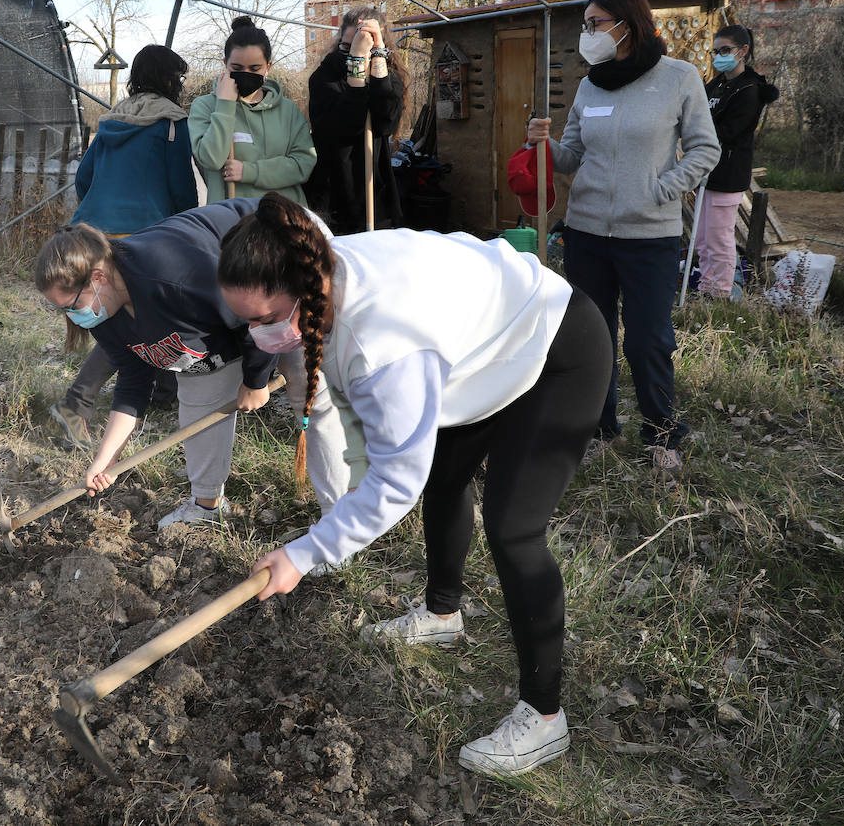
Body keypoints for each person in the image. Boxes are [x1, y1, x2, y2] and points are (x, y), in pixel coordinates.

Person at [217, 192, 611, 778]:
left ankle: (544, 718)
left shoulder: (382, 345)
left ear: (304, 291)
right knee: (447, 478)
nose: (256, 337)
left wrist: (306, 553)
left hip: (556, 344)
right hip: (479, 350)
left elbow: (395, 480)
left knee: (513, 528)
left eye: (265, 320)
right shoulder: (315, 256)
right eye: (244, 321)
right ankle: (442, 615)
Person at [34, 199, 347, 529]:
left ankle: (341, 520)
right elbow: (133, 377)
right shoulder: (103, 312)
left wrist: (255, 380)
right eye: (63, 310)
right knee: (200, 397)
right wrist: (107, 458)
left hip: (279, 256)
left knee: (305, 386)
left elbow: (253, 315)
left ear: (97, 277)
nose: (73, 316)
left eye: (72, 305)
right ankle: (208, 506)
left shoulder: (175, 277)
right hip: (226, 317)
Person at [526, 0, 719, 475]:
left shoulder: (678, 78)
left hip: (649, 234)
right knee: (595, 338)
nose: (587, 34)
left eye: (594, 24)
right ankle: (599, 428)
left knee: (648, 339)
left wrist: (662, 189)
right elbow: (571, 156)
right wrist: (543, 145)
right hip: (587, 231)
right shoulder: (591, 84)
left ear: (625, 25)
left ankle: (660, 433)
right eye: (585, 25)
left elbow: (705, 149)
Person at [48, 44, 197, 449]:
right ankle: (76, 403)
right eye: (179, 78)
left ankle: (163, 394)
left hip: (93, 231)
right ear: (169, 79)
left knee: (150, 318)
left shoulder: (112, 119)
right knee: (136, 326)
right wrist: (186, 228)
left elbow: (84, 178)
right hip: (142, 236)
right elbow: (181, 185)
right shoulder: (170, 123)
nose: (181, 86)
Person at [189, 16, 316, 205]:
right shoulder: (205, 106)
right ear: (225, 63)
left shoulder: (287, 110)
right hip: (232, 220)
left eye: (255, 68)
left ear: (268, 67)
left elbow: (303, 164)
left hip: (285, 218)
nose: (246, 73)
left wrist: (249, 171)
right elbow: (211, 159)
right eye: (237, 67)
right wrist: (225, 105)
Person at [305, 6, 405, 234]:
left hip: (374, 195)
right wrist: (357, 64)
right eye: (346, 46)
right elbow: (347, 125)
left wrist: (377, 57)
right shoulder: (325, 76)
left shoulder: (389, 77)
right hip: (332, 197)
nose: (352, 52)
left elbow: (386, 122)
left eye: (363, 46)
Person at [697, 24, 778, 299]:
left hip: (728, 172)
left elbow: (730, 132)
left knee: (719, 238)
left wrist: (698, 134)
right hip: (707, 171)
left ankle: (719, 292)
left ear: (743, 51)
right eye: (715, 51)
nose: (719, 56)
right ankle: (705, 286)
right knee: (702, 238)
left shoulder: (750, 89)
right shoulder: (717, 84)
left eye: (725, 50)